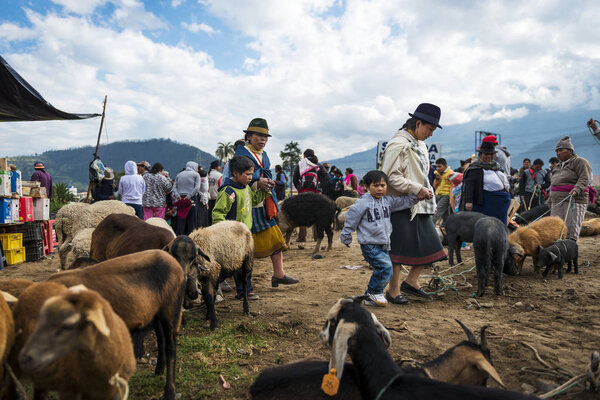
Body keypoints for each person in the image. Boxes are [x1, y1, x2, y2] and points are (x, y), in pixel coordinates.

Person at [380, 103, 447, 303]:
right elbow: (391, 177)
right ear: (418, 123)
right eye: (430, 129)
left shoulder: (419, 144)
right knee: (398, 251)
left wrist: (426, 194)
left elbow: (421, 175)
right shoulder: (398, 144)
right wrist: (416, 189)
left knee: (432, 246)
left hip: (421, 204)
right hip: (401, 204)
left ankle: (411, 282)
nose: (431, 134)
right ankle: (393, 292)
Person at [232, 118, 298, 286]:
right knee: (245, 244)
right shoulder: (241, 154)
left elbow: (265, 173)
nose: (262, 140)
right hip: (247, 205)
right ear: (249, 136)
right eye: (258, 136)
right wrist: (256, 181)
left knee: (275, 237)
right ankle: (244, 285)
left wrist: (268, 181)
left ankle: (279, 274)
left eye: (265, 137)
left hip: (263, 202)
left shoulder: (264, 155)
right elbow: (236, 177)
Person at [340, 170, 419, 306]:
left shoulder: (388, 201)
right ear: (366, 186)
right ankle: (374, 292)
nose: (380, 189)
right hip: (369, 244)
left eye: (383, 185)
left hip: (383, 244)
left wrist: (418, 196)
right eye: (375, 185)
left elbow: (404, 201)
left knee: (384, 270)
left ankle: (370, 296)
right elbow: (351, 218)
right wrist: (346, 236)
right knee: (386, 268)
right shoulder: (362, 203)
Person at [213, 156, 272, 300]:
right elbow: (217, 214)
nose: (250, 178)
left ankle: (244, 291)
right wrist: (226, 232)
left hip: (246, 235)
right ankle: (214, 285)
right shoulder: (228, 192)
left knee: (247, 265)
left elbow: (253, 200)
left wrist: (265, 191)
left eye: (251, 174)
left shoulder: (246, 188)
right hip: (231, 237)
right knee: (231, 266)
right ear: (235, 173)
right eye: (247, 174)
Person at [549, 136, 594, 241]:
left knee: (571, 228)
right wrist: (550, 198)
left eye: (561, 150)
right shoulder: (557, 167)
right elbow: (553, 184)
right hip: (556, 201)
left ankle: (570, 248)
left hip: (574, 200)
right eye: (556, 151)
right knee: (555, 227)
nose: (558, 153)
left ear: (570, 150)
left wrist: (576, 189)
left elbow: (584, 178)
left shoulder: (580, 162)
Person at [461, 141, 511, 224]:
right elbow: (469, 186)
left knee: (500, 225)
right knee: (486, 225)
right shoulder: (475, 168)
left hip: (500, 203)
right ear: (480, 155)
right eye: (486, 154)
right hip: (485, 202)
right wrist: (469, 201)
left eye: (491, 154)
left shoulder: (497, 167)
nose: (489, 156)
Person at [172, 161, 201, 235]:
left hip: (180, 199)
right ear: (194, 167)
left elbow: (174, 187)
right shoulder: (196, 174)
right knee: (192, 221)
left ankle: (180, 238)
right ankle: (191, 238)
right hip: (191, 199)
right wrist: (189, 196)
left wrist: (178, 196)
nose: (197, 170)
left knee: (181, 220)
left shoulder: (179, 175)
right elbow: (197, 187)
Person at [432, 157, 453, 224]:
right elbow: (435, 186)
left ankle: (428, 226)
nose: (437, 168)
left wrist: (451, 199)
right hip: (438, 195)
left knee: (436, 212)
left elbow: (453, 186)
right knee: (445, 215)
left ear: (445, 166)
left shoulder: (450, 173)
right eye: (436, 167)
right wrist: (437, 178)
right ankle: (446, 228)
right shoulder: (438, 174)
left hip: (446, 196)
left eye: (439, 166)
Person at [207, 160, 223, 225]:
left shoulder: (208, 174)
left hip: (208, 198)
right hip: (216, 197)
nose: (220, 168)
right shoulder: (219, 175)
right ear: (216, 167)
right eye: (219, 166)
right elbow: (221, 186)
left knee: (209, 216)